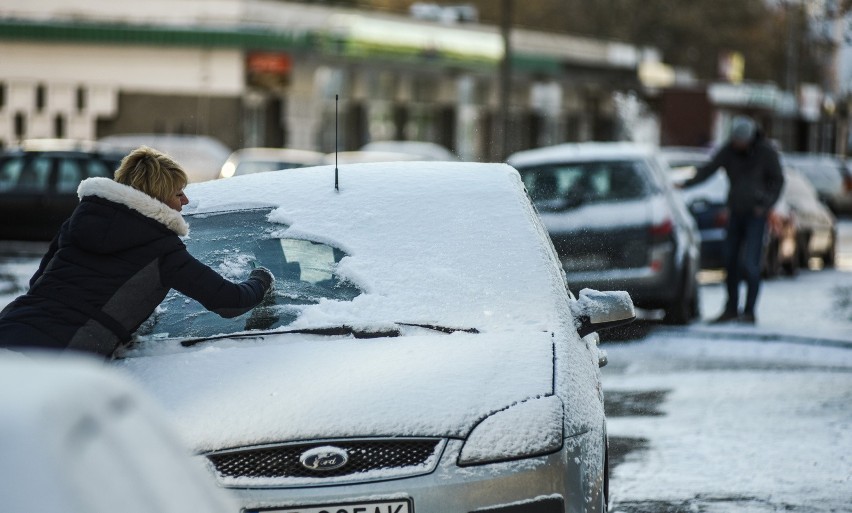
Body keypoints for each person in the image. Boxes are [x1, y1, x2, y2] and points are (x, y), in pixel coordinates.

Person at [0, 146, 274, 358]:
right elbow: (229, 302)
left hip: (10, 328)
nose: (186, 201)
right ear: (158, 197)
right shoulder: (162, 248)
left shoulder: (78, 222)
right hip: (62, 356)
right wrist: (262, 279)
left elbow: (39, 282)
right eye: (179, 193)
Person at [683, 115, 784, 324]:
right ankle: (731, 308)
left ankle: (749, 311)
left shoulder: (765, 152)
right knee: (729, 260)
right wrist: (686, 184)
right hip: (736, 213)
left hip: (756, 215)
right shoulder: (729, 151)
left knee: (751, 264)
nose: (737, 144)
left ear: (749, 139)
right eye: (734, 141)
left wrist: (765, 205)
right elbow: (709, 169)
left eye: (740, 141)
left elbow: (778, 180)